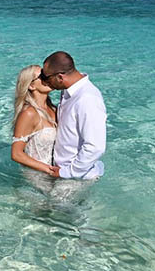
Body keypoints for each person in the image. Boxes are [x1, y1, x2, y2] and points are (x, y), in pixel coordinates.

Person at [39, 51, 106, 180]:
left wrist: (68, 172)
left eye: (46, 77)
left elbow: (95, 147)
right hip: (65, 173)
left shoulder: (87, 99)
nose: (45, 82)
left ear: (60, 77)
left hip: (77, 177)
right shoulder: (69, 91)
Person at [10, 65, 60, 177]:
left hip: (56, 173)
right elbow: (16, 154)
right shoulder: (29, 113)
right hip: (39, 176)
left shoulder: (54, 109)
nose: (48, 78)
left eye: (48, 74)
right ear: (31, 85)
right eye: (42, 76)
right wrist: (49, 170)